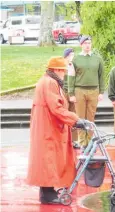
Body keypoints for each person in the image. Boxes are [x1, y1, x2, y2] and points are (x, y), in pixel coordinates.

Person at [26, 56, 88, 204]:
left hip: (47, 127)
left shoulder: (48, 81)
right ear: (56, 70)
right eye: (62, 70)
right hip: (48, 128)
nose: (64, 74)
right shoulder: (50, 83)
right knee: (49, 160)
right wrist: (75, 120)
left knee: (48, 160)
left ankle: (47, 192)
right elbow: (57, 107)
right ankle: (47, 194)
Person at [68, 35, 105, 151]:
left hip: (94, 90)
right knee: (80, 117)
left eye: (89, 43)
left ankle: (90, 141)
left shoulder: (97, 59)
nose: (87, 45)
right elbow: (71, 77)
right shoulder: (76, 59)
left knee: (90, 117)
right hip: (80, 90)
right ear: (81, 45)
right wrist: (71, 93)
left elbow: (101, 76)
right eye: (85, 43)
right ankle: (82, 142)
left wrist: (101, 91)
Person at [63, 48, 79, 148]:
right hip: (64, 92)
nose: (72, 57)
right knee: (64, 115)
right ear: (65, 56)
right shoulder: (62, 67)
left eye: (73, 55)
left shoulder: (74, 66)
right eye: (70, 55)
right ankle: (64, 139)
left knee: (73, 115)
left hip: (73, 92)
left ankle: (74, 140)